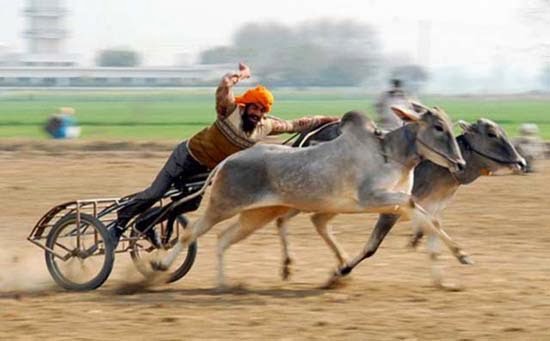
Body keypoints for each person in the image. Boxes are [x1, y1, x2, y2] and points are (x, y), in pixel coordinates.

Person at [109, 63, 339, 245]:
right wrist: (241, 75)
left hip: (207, 170)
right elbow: (224, 88)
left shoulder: (265, 126)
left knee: (188, 205)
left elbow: (297, 124)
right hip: (186, 158)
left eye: (261, 110)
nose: (257, 113)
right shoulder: (229, 111)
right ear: (246, 105)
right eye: (254, 107)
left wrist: (330, 120)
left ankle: (144, 225)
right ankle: (118, 226)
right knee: (155, 193)